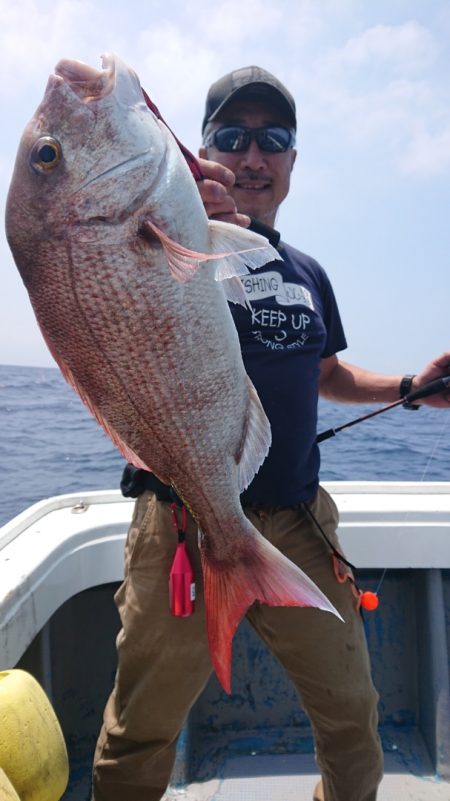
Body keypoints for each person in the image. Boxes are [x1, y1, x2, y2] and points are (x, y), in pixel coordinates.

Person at [92, 66, 450, 801]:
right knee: (139, 734)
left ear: (292, 160)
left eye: (273, 140)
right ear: (199, 155)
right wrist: (186, 220)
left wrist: (411, 388)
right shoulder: (166, 243)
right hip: (182, 516)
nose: (253, 156)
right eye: (232, 137)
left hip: (298, 521)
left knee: (354, 722)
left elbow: (325, 373)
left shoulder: (309, 271)